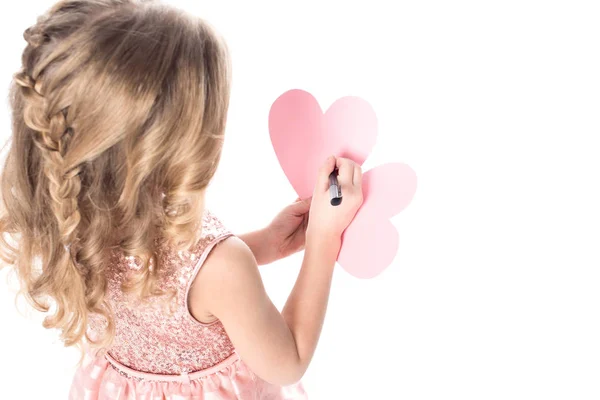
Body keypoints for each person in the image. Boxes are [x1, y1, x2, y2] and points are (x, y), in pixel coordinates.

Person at [0, 1, 363, 398]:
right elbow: (288, 357)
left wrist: (263, 243)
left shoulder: (76, 218)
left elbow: (168, 279)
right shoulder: (224, 268)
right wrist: (322, 242)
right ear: (174, 146)